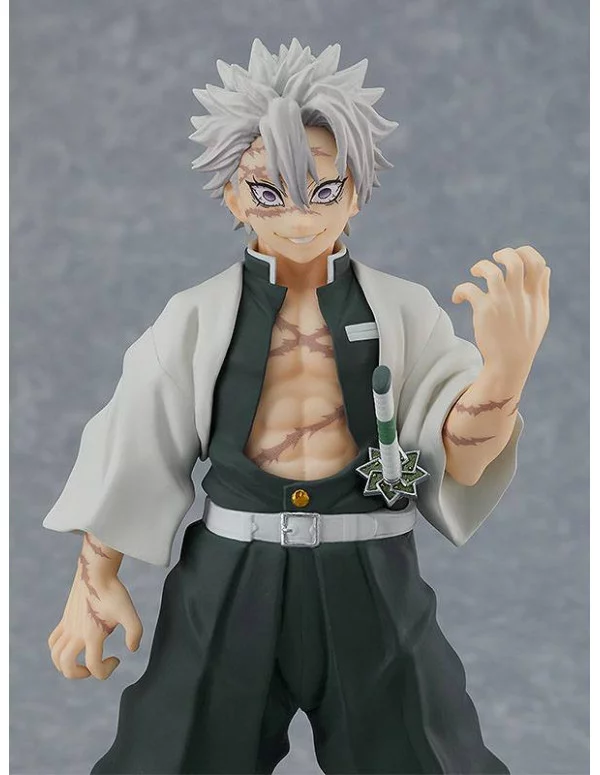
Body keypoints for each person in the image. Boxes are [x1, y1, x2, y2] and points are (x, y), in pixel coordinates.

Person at [44, 38, 550, 774]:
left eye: (323, 188)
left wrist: (505, 370)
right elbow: (136, 440)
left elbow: (461, 458)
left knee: (424, 755)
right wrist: (93, 576)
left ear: (355, 191)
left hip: (371, 573)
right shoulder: (197, 317)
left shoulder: (404, 312)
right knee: (174, 753)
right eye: (268, 192)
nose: (300, 215)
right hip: (231, 577)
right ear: (232, 195)